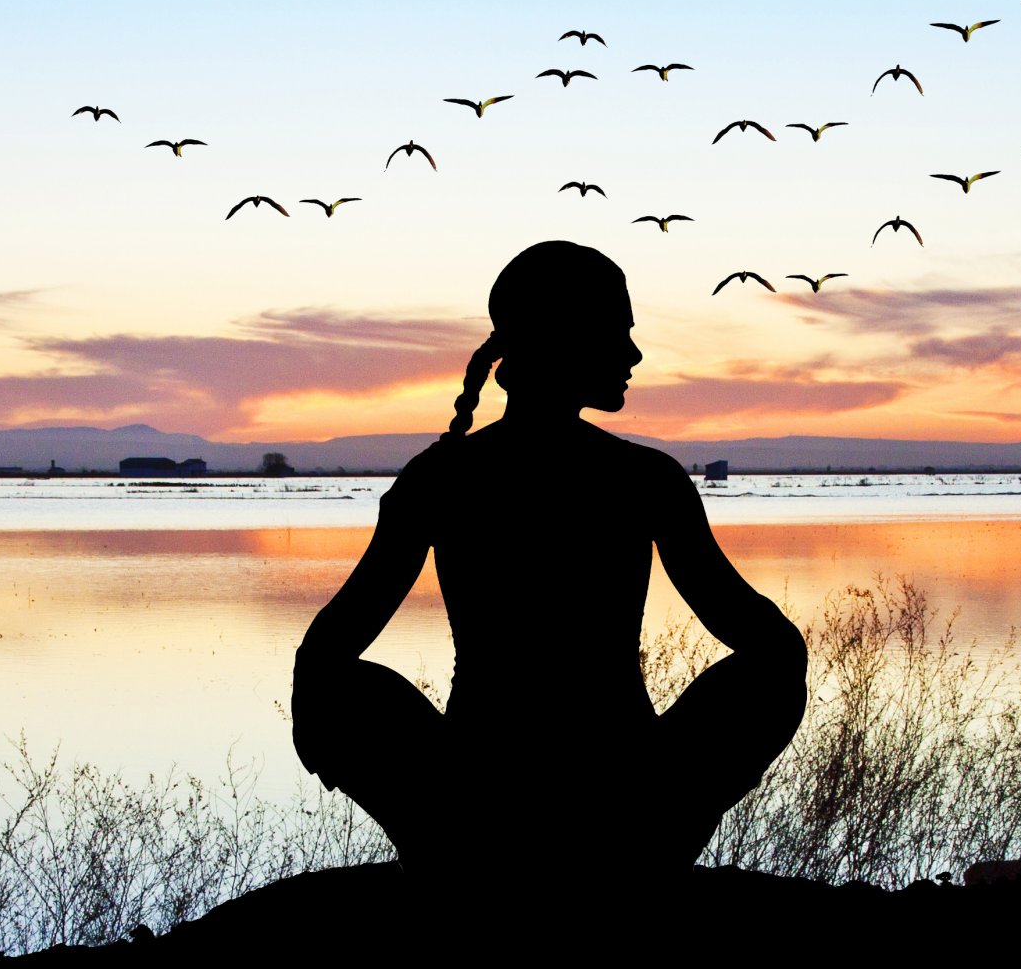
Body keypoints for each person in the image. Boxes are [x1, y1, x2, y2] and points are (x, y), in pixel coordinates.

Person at [292, 240, 809, 893]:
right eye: (616, 333)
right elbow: (771, 648)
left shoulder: (440, 478)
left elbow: (322, 658)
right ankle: (629, 861)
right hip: (624, 802)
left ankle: (452, 859)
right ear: (563, 337)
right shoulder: (644, 479)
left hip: (475, 799)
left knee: (333, 684)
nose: (632, 355)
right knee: (772, 668)